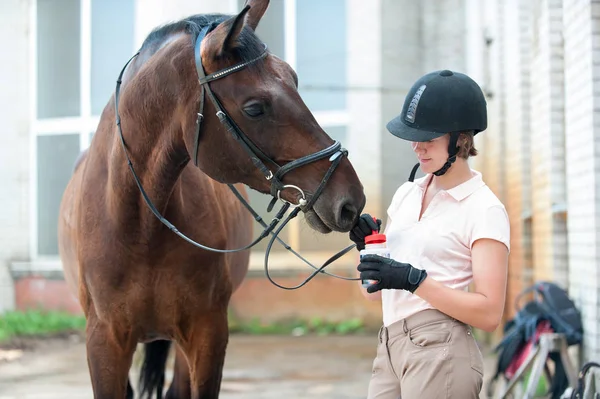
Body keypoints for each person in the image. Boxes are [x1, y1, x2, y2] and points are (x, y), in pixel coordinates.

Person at [349, 69, 510, 399]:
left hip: (442, 350)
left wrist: (413, 280)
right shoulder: (406, 195)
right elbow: (374, 293)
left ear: (460, 139)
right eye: (414, 136)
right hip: (391, 346)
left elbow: (490, 314)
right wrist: (368, 249)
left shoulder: (484, 209)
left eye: (428, 139)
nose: (416, 147)